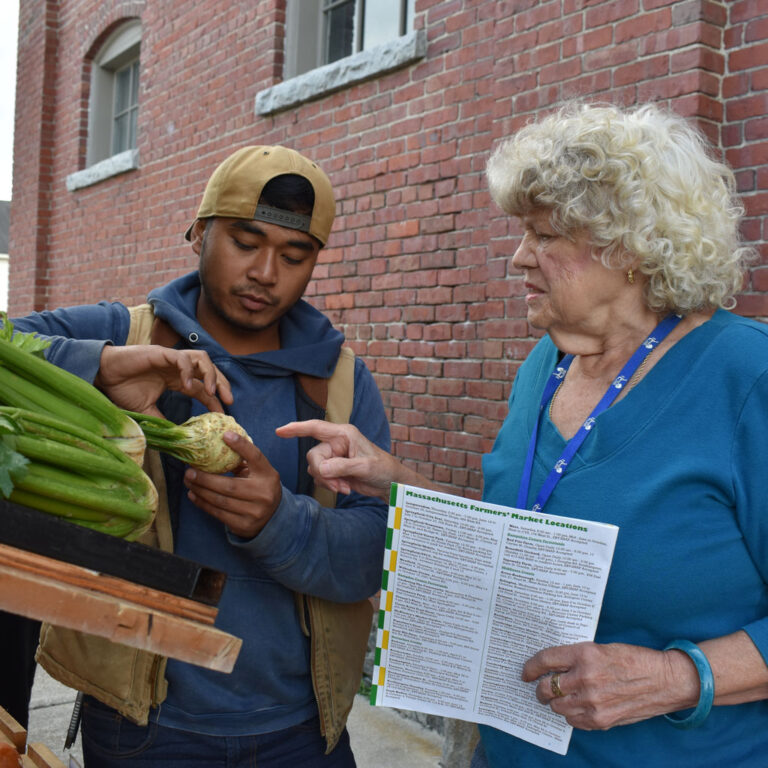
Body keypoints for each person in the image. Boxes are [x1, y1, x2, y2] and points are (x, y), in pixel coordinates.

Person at [278, 102, 768, 766]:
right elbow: (525, 537)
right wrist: (392, 480)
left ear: (629, 245)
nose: (518, 257)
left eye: (543, 236)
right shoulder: (549, 362)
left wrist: (676, 678)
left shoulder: (745, 377)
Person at [12, 145, 390, 767]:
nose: (266, 272)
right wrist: (102, 368)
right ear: (197, 234)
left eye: (294, 256)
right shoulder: (121, 333)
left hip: (301, 729)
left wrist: (277, 522)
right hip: (144, 727)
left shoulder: (341, 382)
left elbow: (372, 553)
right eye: (245, 242)